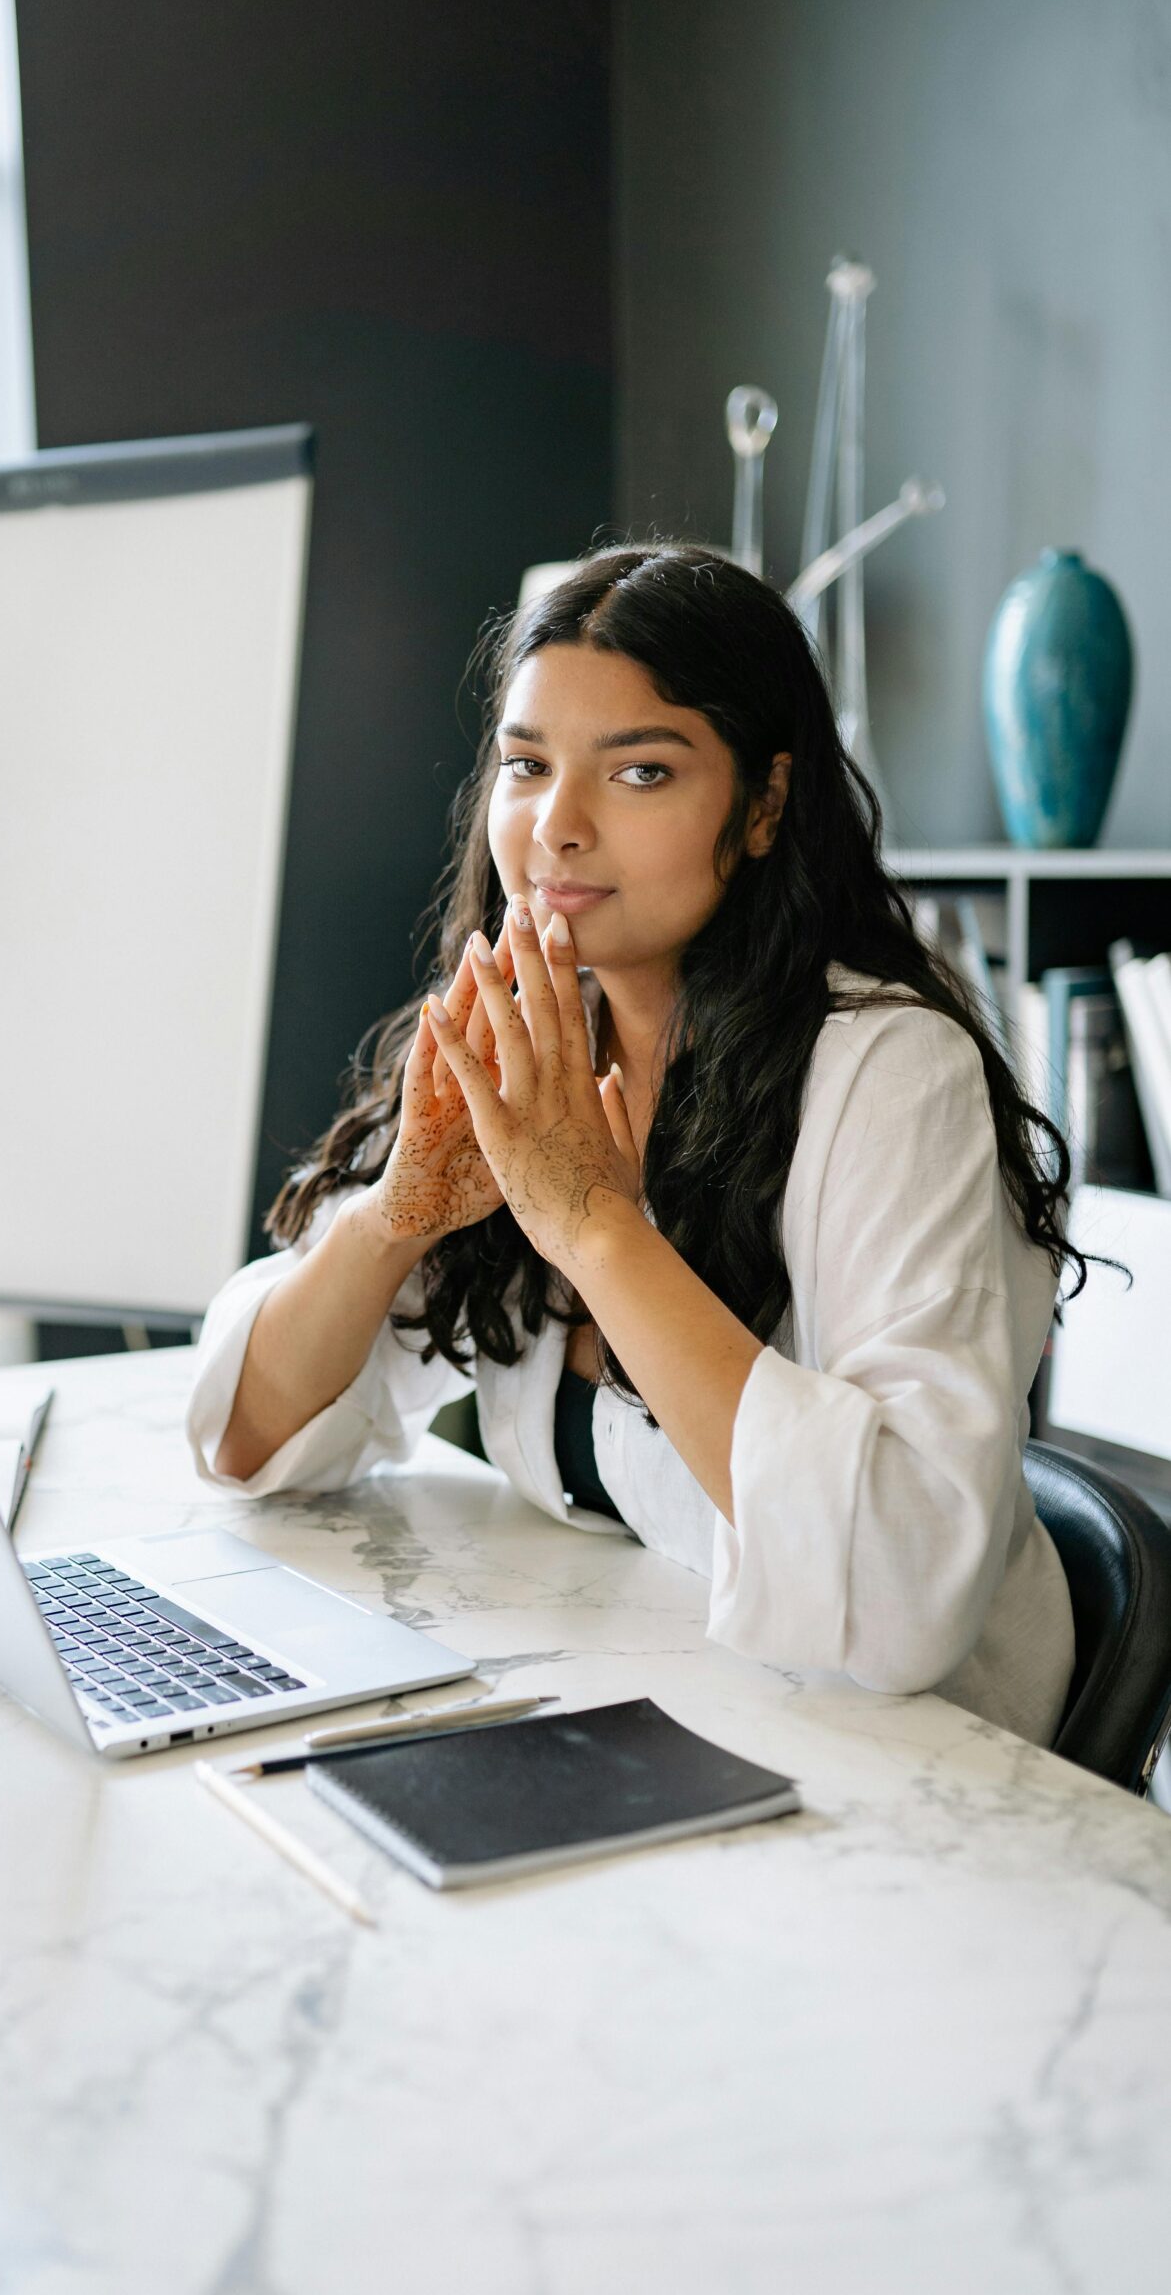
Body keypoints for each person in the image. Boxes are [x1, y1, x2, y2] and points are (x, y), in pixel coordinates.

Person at [186, 544, 1080, 1743]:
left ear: (764, 804)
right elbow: (245, 1443)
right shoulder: (529, 1039)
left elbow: (907, 1596)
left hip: (916, 1767)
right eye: (525, 766)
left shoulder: (886, 1071)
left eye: (642, 772)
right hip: (652, 1698)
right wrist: (398, 1212)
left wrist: (598, 1229)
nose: (556, 827)